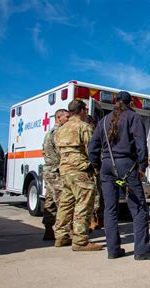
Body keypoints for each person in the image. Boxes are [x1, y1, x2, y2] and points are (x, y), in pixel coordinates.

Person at [89, 91, 150, 260]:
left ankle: (113, 250)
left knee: (110, 209)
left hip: (107, 167)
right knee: (138, 209)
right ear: (130, 103)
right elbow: (140, 144)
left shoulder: (103, 121)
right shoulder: (133, 117)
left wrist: (98, 166)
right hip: (127, 167)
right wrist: (143, 166)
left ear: (116, 102)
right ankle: (142, 250)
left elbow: (92, 148)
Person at [54, 100, 102, 251]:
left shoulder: (60, 130)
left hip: (65, 171)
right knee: (83, 204)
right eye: (85, 109)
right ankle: (80, 241)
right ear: (82, 110)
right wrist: (97, 168)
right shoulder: (84, 127)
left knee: (65, 205)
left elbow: (57, 151)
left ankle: (61, 237)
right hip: (80, 171)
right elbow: (91, 150)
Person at [41, 109, 70, 240]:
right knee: (63, 202)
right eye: (67, 117)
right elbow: (62, 153)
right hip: (55, 172)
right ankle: (63, 234)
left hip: (49, 171)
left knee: (50, 202)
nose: (69, 120)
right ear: (59, 118)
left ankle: (48, 229)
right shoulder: (59, 133)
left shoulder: (50, 133)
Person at [85, 114, 104, 231]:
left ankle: (98, 220)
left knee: (98, 196)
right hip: (90, 170)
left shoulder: (94, 135)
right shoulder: (87, 132)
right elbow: (91, 152)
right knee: (92, 197)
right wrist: (96, 166)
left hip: (95, 170)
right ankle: (92, 221)